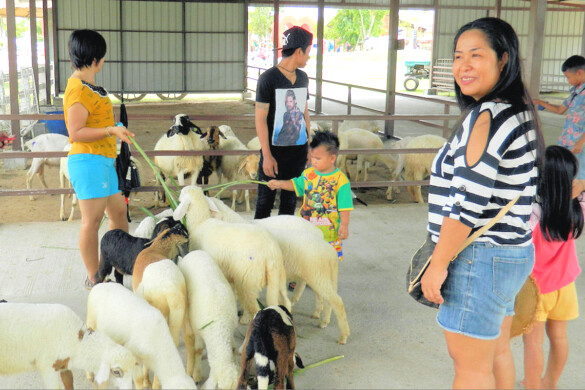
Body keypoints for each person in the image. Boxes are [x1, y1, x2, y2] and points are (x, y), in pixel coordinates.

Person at [420, 17, 545, 389]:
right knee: (496, 354)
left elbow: (466, 205)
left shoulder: (487, 116)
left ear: (503, 59)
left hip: (479, 257)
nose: (464, 66)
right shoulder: (517, 108)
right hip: (511, 253)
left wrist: (438, 264)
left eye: (476, 55)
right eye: (458, 56)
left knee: (471, 370)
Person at [63, 29, 134, 289]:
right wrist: (109, 131)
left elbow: (97, 121)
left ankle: (120, 262)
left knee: (118, 215)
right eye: (102, 56)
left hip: (104, 161)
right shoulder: (78, 90)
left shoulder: (93, 87)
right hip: (88, 161)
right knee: (91, 222)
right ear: (95, 58)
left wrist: (116, 129)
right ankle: (95, 278)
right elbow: (75, 131)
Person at [521, 146, 584, 390]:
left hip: (536, 289)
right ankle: (550, 382)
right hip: (565, 285)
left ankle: (532, 384)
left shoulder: (533, 212)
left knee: (533, 343)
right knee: (559, 337)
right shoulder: (577, 209)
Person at [254, 26, 313, 220]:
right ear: (299, 51)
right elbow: (260, 118)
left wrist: (309, 146)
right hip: (274, 152)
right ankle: (259, 248)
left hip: (297, 151)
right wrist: (267, 155)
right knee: (264, 203)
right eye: (308, 51)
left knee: (290, 202)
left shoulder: (303, 78)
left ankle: (284, 245)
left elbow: (304, 112)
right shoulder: (268, 79)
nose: (309, 57)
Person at [267, 130, 353, 261]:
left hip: (328, 232)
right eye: (312, 157)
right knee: (305, 258)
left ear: (332, 158)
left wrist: (344, 226)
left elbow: (345, 206)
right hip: (306, 228)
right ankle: (300, 280)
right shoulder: (308, 174)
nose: (314, 161)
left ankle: (323, 280)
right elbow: (296, 185)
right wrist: (280, 184)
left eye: (318, 158)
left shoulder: (341, 180)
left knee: (325, 260)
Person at [533, 55, 585, 179]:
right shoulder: (576, 92)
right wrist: (540, 102)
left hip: (580, 144)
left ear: (579, 73)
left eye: (568, 77)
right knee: (567, 172)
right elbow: (560, 109)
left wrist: (581, 141)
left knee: (579, 176)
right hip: (568, 141)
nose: (567, 80)